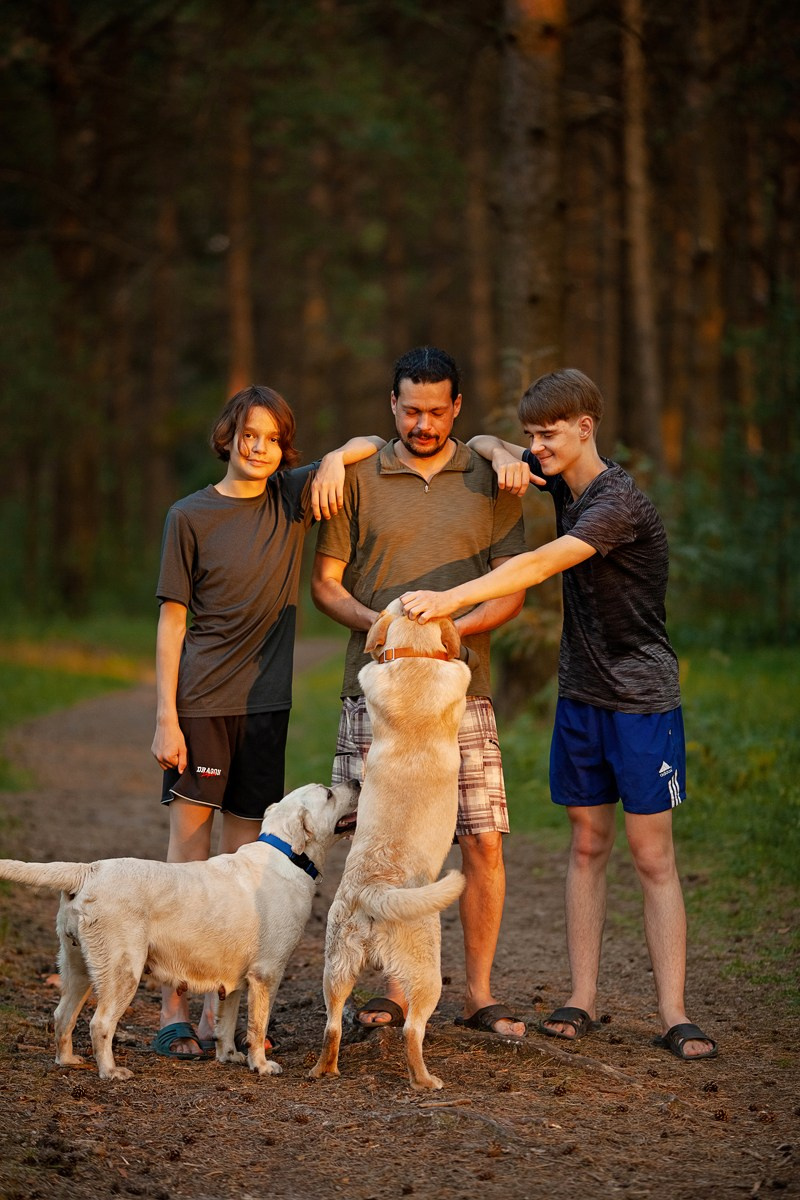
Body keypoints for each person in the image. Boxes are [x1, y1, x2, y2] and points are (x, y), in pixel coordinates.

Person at [400, 367, 717, 1061]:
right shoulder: (556, 480)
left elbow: (540, 565)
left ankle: (674, 1013)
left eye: (548, 435)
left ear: (585, 427)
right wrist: (502, 451)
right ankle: (583, 998)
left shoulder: (616, 504)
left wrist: (450, 600)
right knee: (584, 845)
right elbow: (483, 437)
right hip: (580, 694)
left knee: (651, 855)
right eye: (531, 435)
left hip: (642, 700)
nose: (537, 446)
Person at [151, 384, 383, 1058]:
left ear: (286, 447)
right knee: (188, 860)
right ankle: (172, 1006)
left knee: (243, 864)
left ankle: (220, 1014)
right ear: (229, 436)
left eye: (273, 438)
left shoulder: (291, 498)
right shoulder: (188, 516)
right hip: (201, 704)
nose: (259, 447)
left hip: (266, 708)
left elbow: (370, 444)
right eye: (249, 434)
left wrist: (336, 458)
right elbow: (172, 621)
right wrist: (165, 715)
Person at [312, 345, 528, 1039]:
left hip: (462, 693)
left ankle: (479, 993)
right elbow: (326, 584)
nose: (423, 423)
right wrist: (382, 626)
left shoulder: (494, 477)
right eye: (411, 410)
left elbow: (512, 588)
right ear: (392, 405)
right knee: (381, 846)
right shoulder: (357, 476)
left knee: (483, 840)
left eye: (437, 411)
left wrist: (449, 631)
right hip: (374, 694)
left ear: (457, 408)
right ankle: (398, 990)